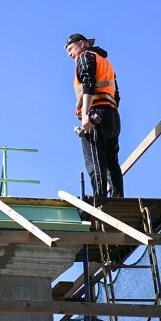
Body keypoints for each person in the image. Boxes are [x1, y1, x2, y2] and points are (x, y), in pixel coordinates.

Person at [65, 33, 124, 198]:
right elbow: (117, 94)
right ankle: (117, 198)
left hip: (95, 114)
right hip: (112, 115)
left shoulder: (85, 57)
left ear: (82, 44)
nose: (70, 54)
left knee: (95, 160)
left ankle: (100, 199)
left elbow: (88, 84)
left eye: (71, 48)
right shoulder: (106, 63)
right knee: (112, 162)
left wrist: (85, 115)